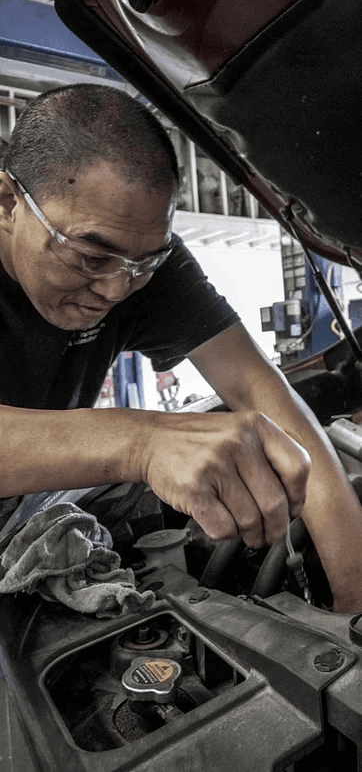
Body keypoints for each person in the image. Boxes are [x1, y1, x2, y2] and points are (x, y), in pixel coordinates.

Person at [0, 83, 361, 614]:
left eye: (143, 265)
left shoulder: (140, 261)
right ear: (9, 203)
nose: (118, 290)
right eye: (91, 258)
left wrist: (353, 590)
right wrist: (142, 442)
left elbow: (256, 387)